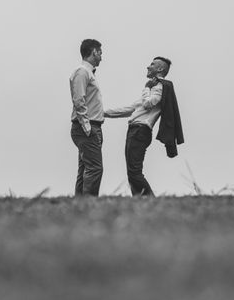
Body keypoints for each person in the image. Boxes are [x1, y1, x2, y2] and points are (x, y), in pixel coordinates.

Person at [105, 56, 184, 196]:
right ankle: (139, 201)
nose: (148, 67)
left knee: (134, 172)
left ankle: (150, 199)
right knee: (132, 172)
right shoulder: (154, 88)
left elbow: (148, 103)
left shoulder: (160, 87)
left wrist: (147, 87)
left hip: (140, 131)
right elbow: (131, 108)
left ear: (160, 69)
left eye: (152, 65)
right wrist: (102, 113)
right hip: (135, 131)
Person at [69, 39, 105, 196]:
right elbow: (79, 99)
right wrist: (87, 126)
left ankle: (80, 204)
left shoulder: (87, 72)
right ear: (94, 52)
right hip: (86, 127)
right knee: (95, 168)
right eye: (100, 53)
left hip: (90, 126)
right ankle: (89, 203)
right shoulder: (82, 71)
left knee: (85, 167)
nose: (102, 57)